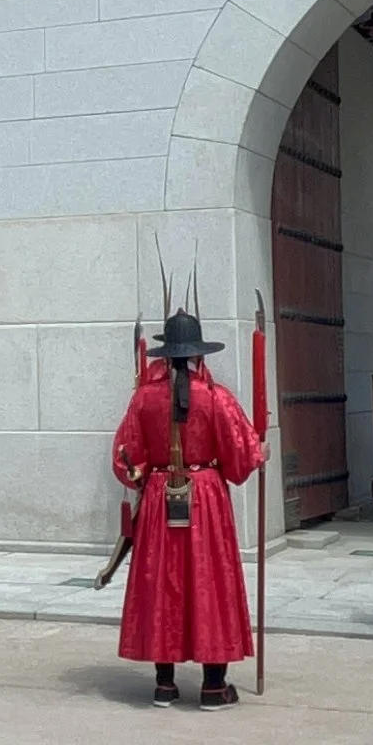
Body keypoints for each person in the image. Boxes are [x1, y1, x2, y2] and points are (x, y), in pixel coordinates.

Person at [111, 303, 266, 707]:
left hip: (162, 495)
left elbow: (125, 457)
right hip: (206, 495)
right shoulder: (217, 398)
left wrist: (146, 475)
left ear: (165, 354)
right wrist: (259, 451)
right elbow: (240, 461)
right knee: (210, 579)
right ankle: (214, 685)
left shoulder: (143, 399)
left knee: (161, 579)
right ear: (198, 354)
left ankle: (165, 683)